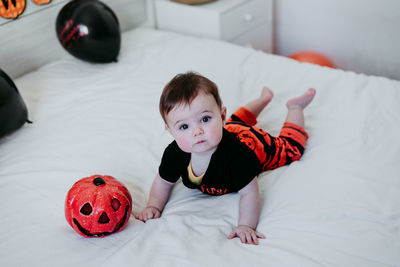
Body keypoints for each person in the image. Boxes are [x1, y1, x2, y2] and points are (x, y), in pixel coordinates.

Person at [135, 71, 316, 245]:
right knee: (235, 123)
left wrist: (245, 225)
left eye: (205, 119)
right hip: (228, 129)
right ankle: (263, 99)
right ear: (170, 130)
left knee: (290, 149)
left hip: (253, 144)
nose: (197, 131)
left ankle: (295, 108)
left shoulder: (237, 156)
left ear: (221, 116)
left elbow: (249, 193)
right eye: (184, 127)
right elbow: (164, 181)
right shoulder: (174, 154)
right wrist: (154, 206)